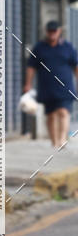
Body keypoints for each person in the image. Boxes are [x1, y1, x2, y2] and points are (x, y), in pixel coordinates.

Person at [24, 20, 78, 148]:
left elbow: (76, 66)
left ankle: (62, 140)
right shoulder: (39, 47)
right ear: (46, 32)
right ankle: (54, 142)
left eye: (54, 31)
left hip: (65, 86)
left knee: (63, 112)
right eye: (50, 31)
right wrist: (28, 84)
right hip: (47, 87)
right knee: (51, 115)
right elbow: (31, 67)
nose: (52, 33)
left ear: (59, 31)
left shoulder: (67, 47)